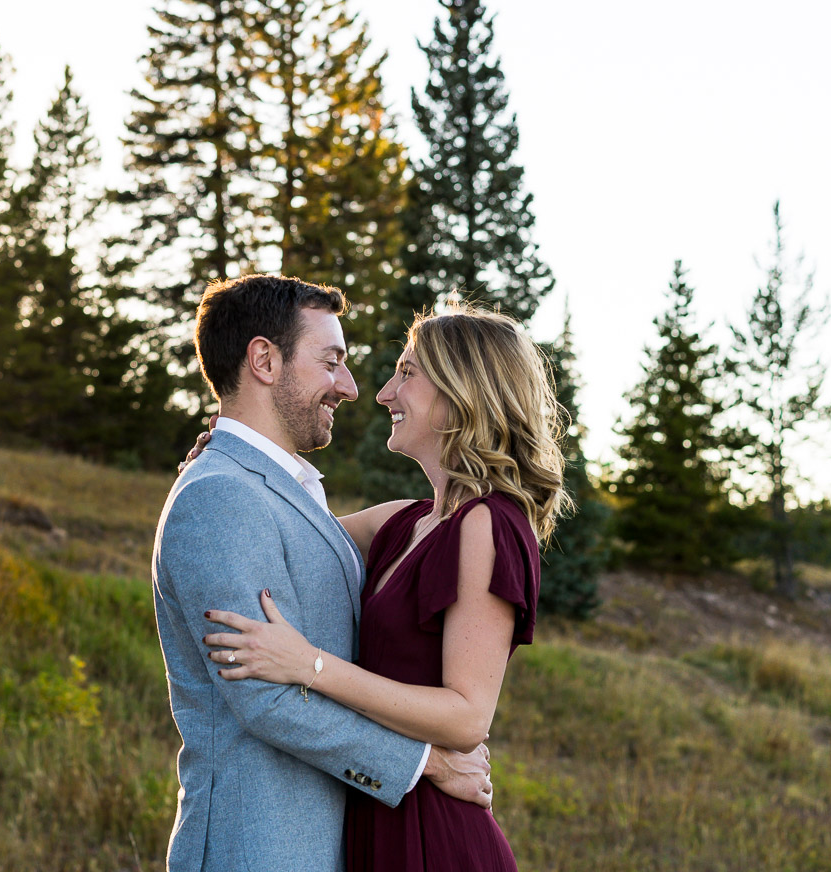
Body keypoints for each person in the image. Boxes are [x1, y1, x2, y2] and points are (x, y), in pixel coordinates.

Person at [198, 306, 570, 871]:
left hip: (433, 834)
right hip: (375, 813)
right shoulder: (402, 523)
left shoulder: (488, 525)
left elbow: (468, 717)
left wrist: (309, 664)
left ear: (461, 390)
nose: (383, 393)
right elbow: (277, 531)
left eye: (407, 373)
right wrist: (228, 461)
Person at [152, 275, 495, 872]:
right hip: (256, 849)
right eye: (331, 362)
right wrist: (429, 762)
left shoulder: (274, 491)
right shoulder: (219, 497)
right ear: (264, 360)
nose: (351, 386)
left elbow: (393, 532)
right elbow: (265, 700)